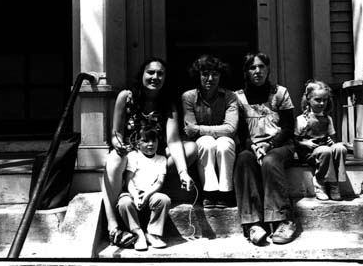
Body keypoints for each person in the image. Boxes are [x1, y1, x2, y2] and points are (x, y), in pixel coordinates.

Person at [101, 57, 197, 247]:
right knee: (113, 159)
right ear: (142, 75)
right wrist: (118, 143)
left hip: (155, 160)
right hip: (130, 159)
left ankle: (151, 189)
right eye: (151, 72)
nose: (155, 77)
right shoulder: (126, 97)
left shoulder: (168, 105)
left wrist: (183, 172)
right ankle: (113, 225)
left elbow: (174, 141)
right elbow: (116, 134)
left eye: (160, 73)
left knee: (192, 148)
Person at [233, 52, 297, 246]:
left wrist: (269, 144)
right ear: (246, 72)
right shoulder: (238, 97)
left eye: (261, 67)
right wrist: (253, 146)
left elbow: (288, 127)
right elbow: (241, 132)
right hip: (253, 147)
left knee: (270, 160)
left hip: (280, 145)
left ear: (268, 69)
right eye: (252, 68)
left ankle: (283, 220)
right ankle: (253, 223)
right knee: (243, 160)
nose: (258, 71)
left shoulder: (280, 93)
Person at [182, 54, 238, 208]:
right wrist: (213, 131)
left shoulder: (230, 96)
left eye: (215, 74)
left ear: (221, 76)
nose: (210, 78)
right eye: (205, 74)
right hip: (202, 143)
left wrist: (199, 129)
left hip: (225, 140)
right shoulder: (188, 97)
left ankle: (226, 192)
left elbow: (231, 129)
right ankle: (209, 191)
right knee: (207, 143)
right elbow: (189, 130)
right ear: (198, 75)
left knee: (224, 144)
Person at [117, 126, 170, 251]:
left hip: (151, 193)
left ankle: (153, 233)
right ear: (137, 143)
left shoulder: (161, 159)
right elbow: (129, 179)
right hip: (132, 192)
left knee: (163, 199)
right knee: (124, 203)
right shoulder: (133, 156)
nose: (151, 144)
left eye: (154, 141)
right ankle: (138, 233)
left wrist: (147, 195)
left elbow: (159, 182)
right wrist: (135, 196)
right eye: (146, 141)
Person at [294, 80, 347, 201]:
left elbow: (332, 138)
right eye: (317, 100)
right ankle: (320, 182)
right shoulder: (302, 119)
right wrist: (305, 143)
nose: (322, 103)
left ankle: (335, 184)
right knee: (325, 151)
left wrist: (332, 142)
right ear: (308, 99)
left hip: (324, 151)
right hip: (309, 153)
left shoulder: (327, 118)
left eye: (325, 100)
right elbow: (294, 141)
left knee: (340, 148)